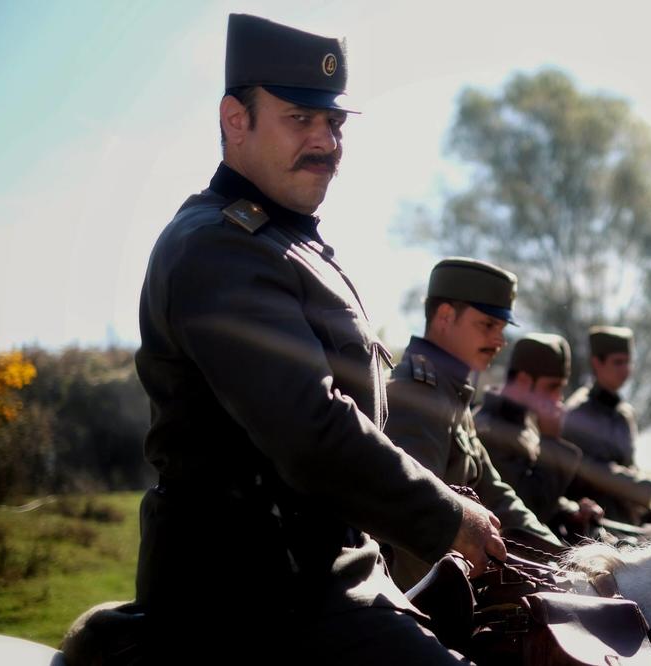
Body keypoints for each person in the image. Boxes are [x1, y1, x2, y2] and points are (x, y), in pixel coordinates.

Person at [132, 15, 502, 663]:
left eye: (334, 124)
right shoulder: (219, 247)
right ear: (234, 119)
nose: (324, 141)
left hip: (328, 578)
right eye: (300, 119)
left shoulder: (289, 243)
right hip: (251, 598)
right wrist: (447, 516)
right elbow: (310, 430)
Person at [384, 258, 562, 589]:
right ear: (445, 317)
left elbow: (497, 495)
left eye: (502, 329)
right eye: (488, 326)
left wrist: (563, 560)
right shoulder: (417, 394)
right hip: (415, 597)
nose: (499, 341)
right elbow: (412, 524)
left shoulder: (451, 395)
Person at [474, 333, 603, 535]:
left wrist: (572, 511)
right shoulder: (489, 430)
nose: (558, 398)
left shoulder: (527, 423)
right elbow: (529, 507)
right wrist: (551, 441)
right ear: (524, 380)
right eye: (552, 387)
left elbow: (542, 493)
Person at [564, 325, 651, 522]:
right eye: (617, 362)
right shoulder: (579, 411)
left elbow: (629, 467)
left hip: (626, 514)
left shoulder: (624, 412)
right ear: (597, 363)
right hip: (590, 519)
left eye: (628, 362)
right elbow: (596, 471)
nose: (625, 370)